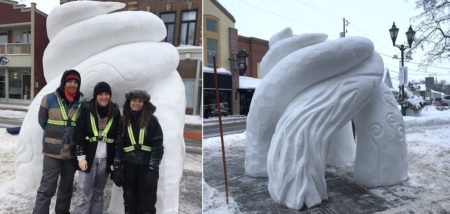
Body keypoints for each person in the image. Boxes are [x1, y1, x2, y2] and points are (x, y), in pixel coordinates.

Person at [33, 69, 83, 214]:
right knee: (47, 186)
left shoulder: (81, 103)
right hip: (51, 151)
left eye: (76, 82)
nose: (73, 84)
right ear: (64, 82)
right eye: (70, 81)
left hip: (71, 153)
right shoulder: (48, 99)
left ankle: (62, 211)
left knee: (67, 187)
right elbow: (42, 121)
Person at [73, 82, 121, 214]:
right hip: (88, 158)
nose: (104, 97)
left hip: (105, 160)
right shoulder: (86, 110)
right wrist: (81, 157)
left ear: (110, 96)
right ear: (96, 96)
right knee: (84, 192)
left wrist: (115, 161)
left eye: (106, 94)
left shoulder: (115, 113)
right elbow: (79, 134)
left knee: (99, 193)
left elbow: (118, 137)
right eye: (100, 94)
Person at [114, 90, 164, 214]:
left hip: (147, 169)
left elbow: (158, 146)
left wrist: (153, 169)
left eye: (140, 101)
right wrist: (117, 167)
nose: (136, 103)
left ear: (145, 103)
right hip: (129, 168)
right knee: (130, 203)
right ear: (129, 102)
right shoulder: (123, 120)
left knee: (147, 204)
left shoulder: (152, 121)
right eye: (134, 100)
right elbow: (119, 145)